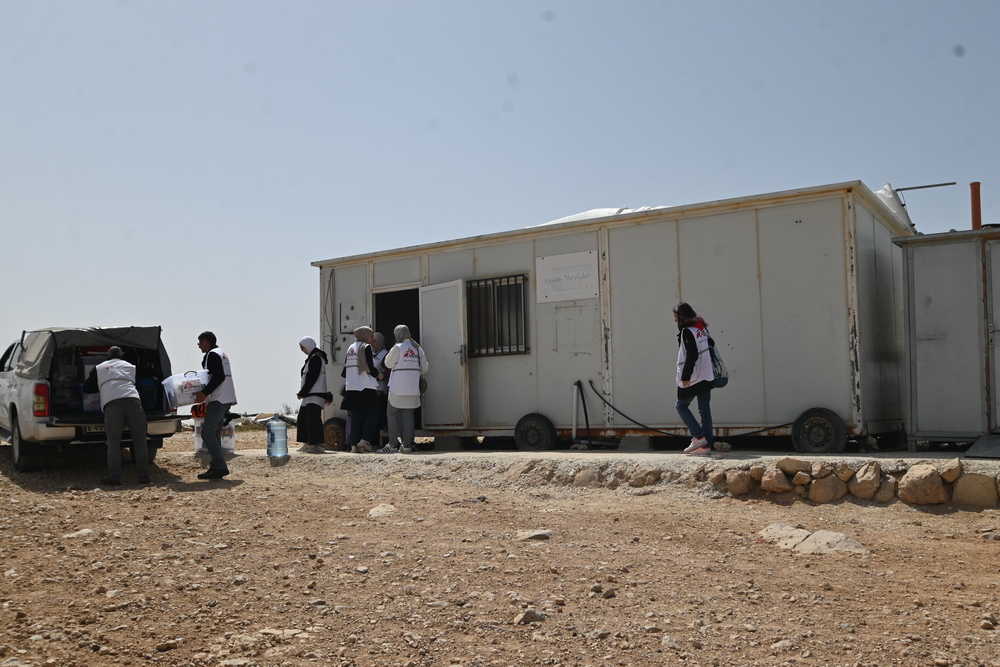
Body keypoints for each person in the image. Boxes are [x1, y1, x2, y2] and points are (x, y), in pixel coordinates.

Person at [82, 346, 149, 486]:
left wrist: (100, 382)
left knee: (113, 441)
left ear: (107, 357)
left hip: (112, 403)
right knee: (140, 440)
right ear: (121, 356)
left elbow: (87, 388)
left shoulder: (99, 367)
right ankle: (143, 477)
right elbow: (139, 385)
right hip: (133, 401)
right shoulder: (131, 366)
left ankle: (115, 478)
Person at [193, 331, 237, 478]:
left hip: (219, 398)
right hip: (224, 397)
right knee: (214, 432)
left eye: (199, 343)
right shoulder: (220, 353)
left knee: (207, 432)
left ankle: (219, 465)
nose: (198, 346)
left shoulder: (212, 354)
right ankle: (215, 466)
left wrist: (204, 393)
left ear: (206, 342)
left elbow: (218, 376)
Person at [674, 302, 715, 456]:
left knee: (681, 406)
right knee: (705, 410)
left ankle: (698, 437)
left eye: (676, 316)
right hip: (707, 374)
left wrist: (685, 377)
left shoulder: (687, 331)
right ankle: (706, 447)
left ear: (682, 316)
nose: (674, 320)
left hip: (694, 376)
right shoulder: (702, 328)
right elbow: (711, 344)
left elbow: (692, 354)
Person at [381, 324, 429, 454]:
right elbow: (425, 367)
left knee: (391, 414)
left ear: (397, 335)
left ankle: (392, 444)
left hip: (397, 388)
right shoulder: (417, 348)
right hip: (412, 388)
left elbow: (388, 363)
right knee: (408, 415)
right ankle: (407, 445)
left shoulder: (398, 347)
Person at [342, 326, 381, 453]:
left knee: (356, 416)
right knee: (372, 414)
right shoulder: (366, 347)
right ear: (365, 335)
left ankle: (354, 444)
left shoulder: (350, 348)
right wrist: (379, 375)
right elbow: (369, 367)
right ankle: (365, 440)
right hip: (365, 386)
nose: (372, 339)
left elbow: (344, 371)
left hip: (352, 387)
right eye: (371, 336)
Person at [296, 336, 331, 454]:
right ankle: (308, 443)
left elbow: (312, 377)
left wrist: (302, 392)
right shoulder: (311, 358)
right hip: (309, 395)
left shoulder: (316, 358)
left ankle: (319, 445)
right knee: (303, 418)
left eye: (302, 347)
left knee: (313, 419)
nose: (302, 350)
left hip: (315, 393)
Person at [371, 332, 390, 444]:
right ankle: (373, 442)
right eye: (371, 341)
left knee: (380, 417)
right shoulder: (370, 353)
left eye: (375, 341)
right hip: (371, 390)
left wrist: (382, 376)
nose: (372, 344)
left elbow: (388, 371)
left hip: (381, 390)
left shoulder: (385, 354)